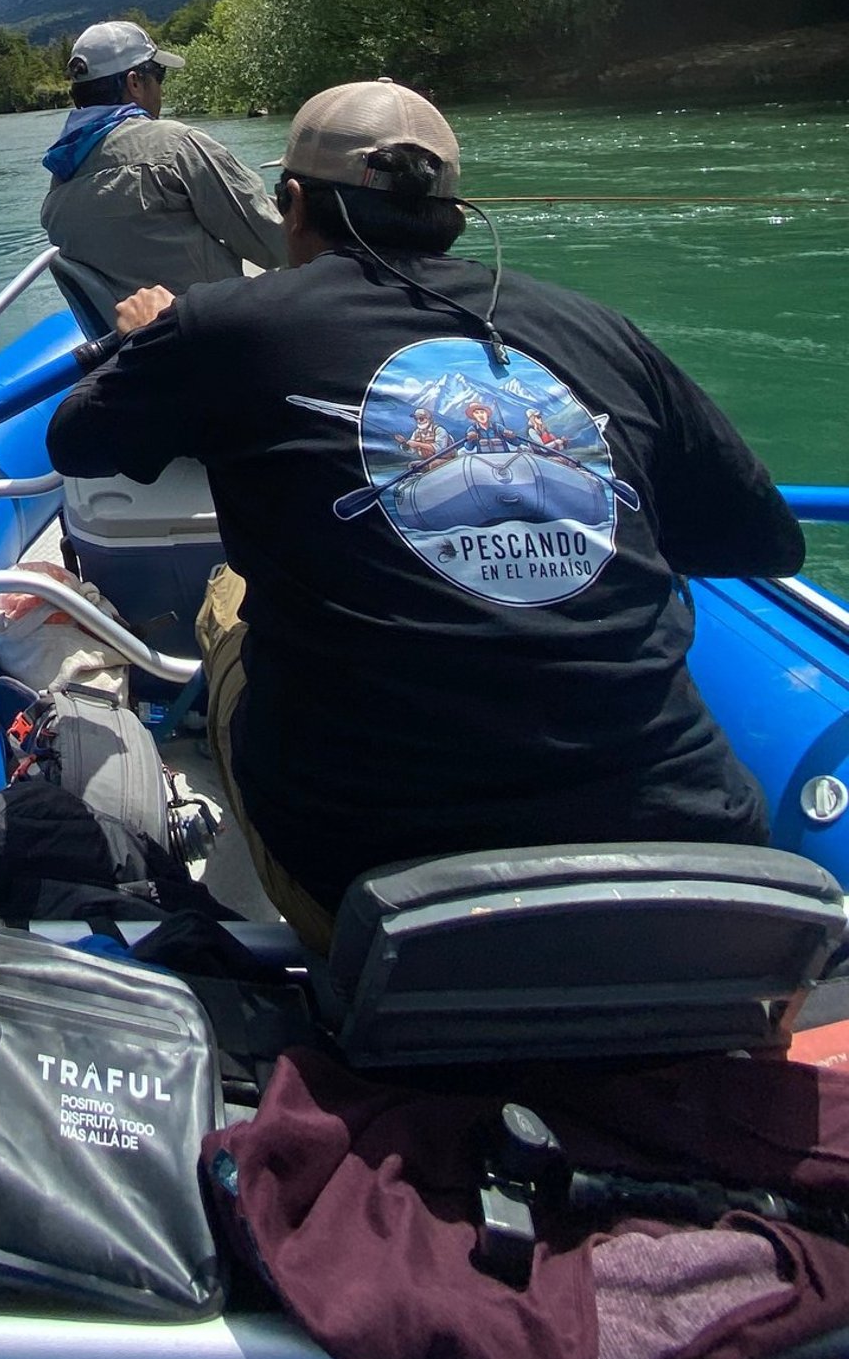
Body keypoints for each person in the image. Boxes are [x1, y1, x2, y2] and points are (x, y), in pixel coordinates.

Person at [46, 77, 803, 951]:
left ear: (292, 205)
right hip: (705, 873)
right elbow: (762, 540)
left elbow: (77, 442)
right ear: (450, 213)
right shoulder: (600, 330)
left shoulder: (223, 328)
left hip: (377, 883)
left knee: (227, 597)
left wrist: (151, 339)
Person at [39, 20, 285, 323]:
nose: (161, 89)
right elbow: (273, 242)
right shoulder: (174, 145)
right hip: (218, 340)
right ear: (134, 83)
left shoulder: (60, 178)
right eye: (159, 75)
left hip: (138, 354)